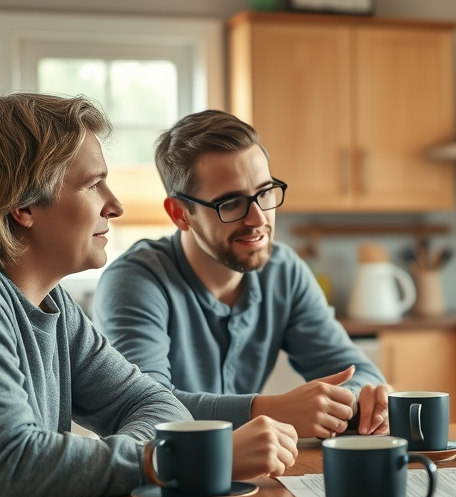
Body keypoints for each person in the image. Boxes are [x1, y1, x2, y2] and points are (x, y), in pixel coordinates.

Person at [0, 94, 299, 497]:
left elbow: (154, 404)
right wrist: (191, 458)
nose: (115, 205)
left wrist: (151, 455)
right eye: (94, 185)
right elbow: (11, 466)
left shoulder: (52, 302)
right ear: (23, 206)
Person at [93, 110, 390, 439]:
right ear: (180, 214)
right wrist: (268, 410)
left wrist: (363, 398)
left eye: (265, 193)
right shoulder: (136, 281)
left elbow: (356, 371)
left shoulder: (284, 271)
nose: (258, 219)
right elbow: (145, 408)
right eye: (231, 203)